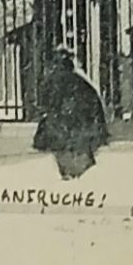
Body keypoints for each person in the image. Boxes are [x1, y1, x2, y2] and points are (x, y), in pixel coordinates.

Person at [32, 47, 111, 179]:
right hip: (78, 124)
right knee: (73, 144)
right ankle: (75, 169)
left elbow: (43, 103)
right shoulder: (81, 82)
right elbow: (93, 103)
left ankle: (68, 170)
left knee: (62, 144)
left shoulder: (52, 81)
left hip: (62, 124)